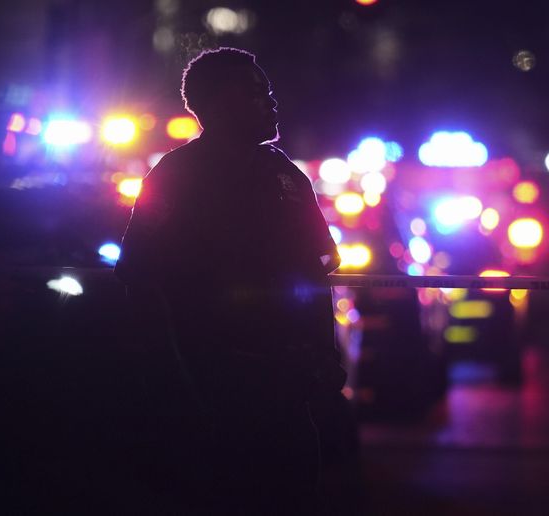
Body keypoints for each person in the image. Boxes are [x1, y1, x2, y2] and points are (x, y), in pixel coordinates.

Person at [115, 47, 345, 514]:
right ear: (218, 104)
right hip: (209, 384)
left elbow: (318, 268)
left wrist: (324, 354)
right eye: (257, 91)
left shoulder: (283, 174)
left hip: (287, 381)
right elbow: (138, 273)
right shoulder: (177, 176)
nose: (271, 100)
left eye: (269, 90)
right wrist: (173, 374)